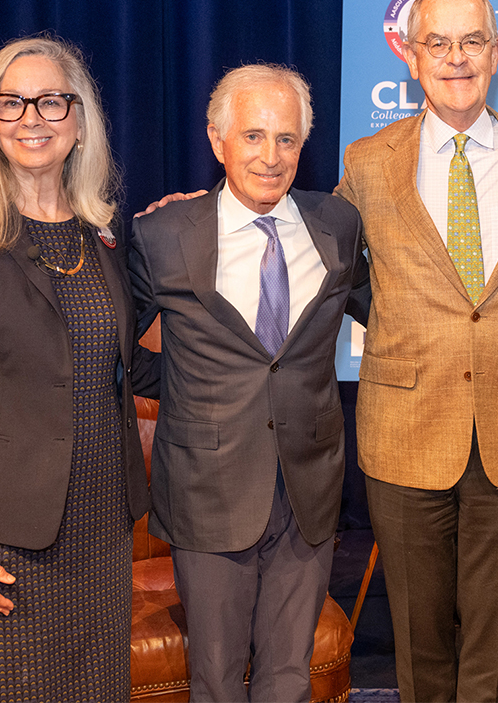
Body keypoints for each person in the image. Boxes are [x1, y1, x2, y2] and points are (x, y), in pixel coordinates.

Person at [0, 35, 159, 701]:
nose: (30, 119)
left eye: (50, 101)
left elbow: (124, 370)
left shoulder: (102, 237)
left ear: (78, 123)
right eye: (10, 104)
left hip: (100, 535)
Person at [336, 0, 498, 702]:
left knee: (497, 657)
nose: (456, 58)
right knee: (421, 648)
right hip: (404, 430)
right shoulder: (369, 161)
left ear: (496, 53)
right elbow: (329, 263)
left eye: (473, 41)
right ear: (410, 55)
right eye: (439, 42)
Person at [128, 63, 368, 702]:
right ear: (217, 141)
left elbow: (388, 318)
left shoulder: (338, 227)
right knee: (216, 680)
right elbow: (118, 351)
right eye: (254, 136)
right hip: (208, 493)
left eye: (286, 139)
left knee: (288, 679)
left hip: (308, 492)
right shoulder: (162, 234)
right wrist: (186, 392)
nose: (271, 156)